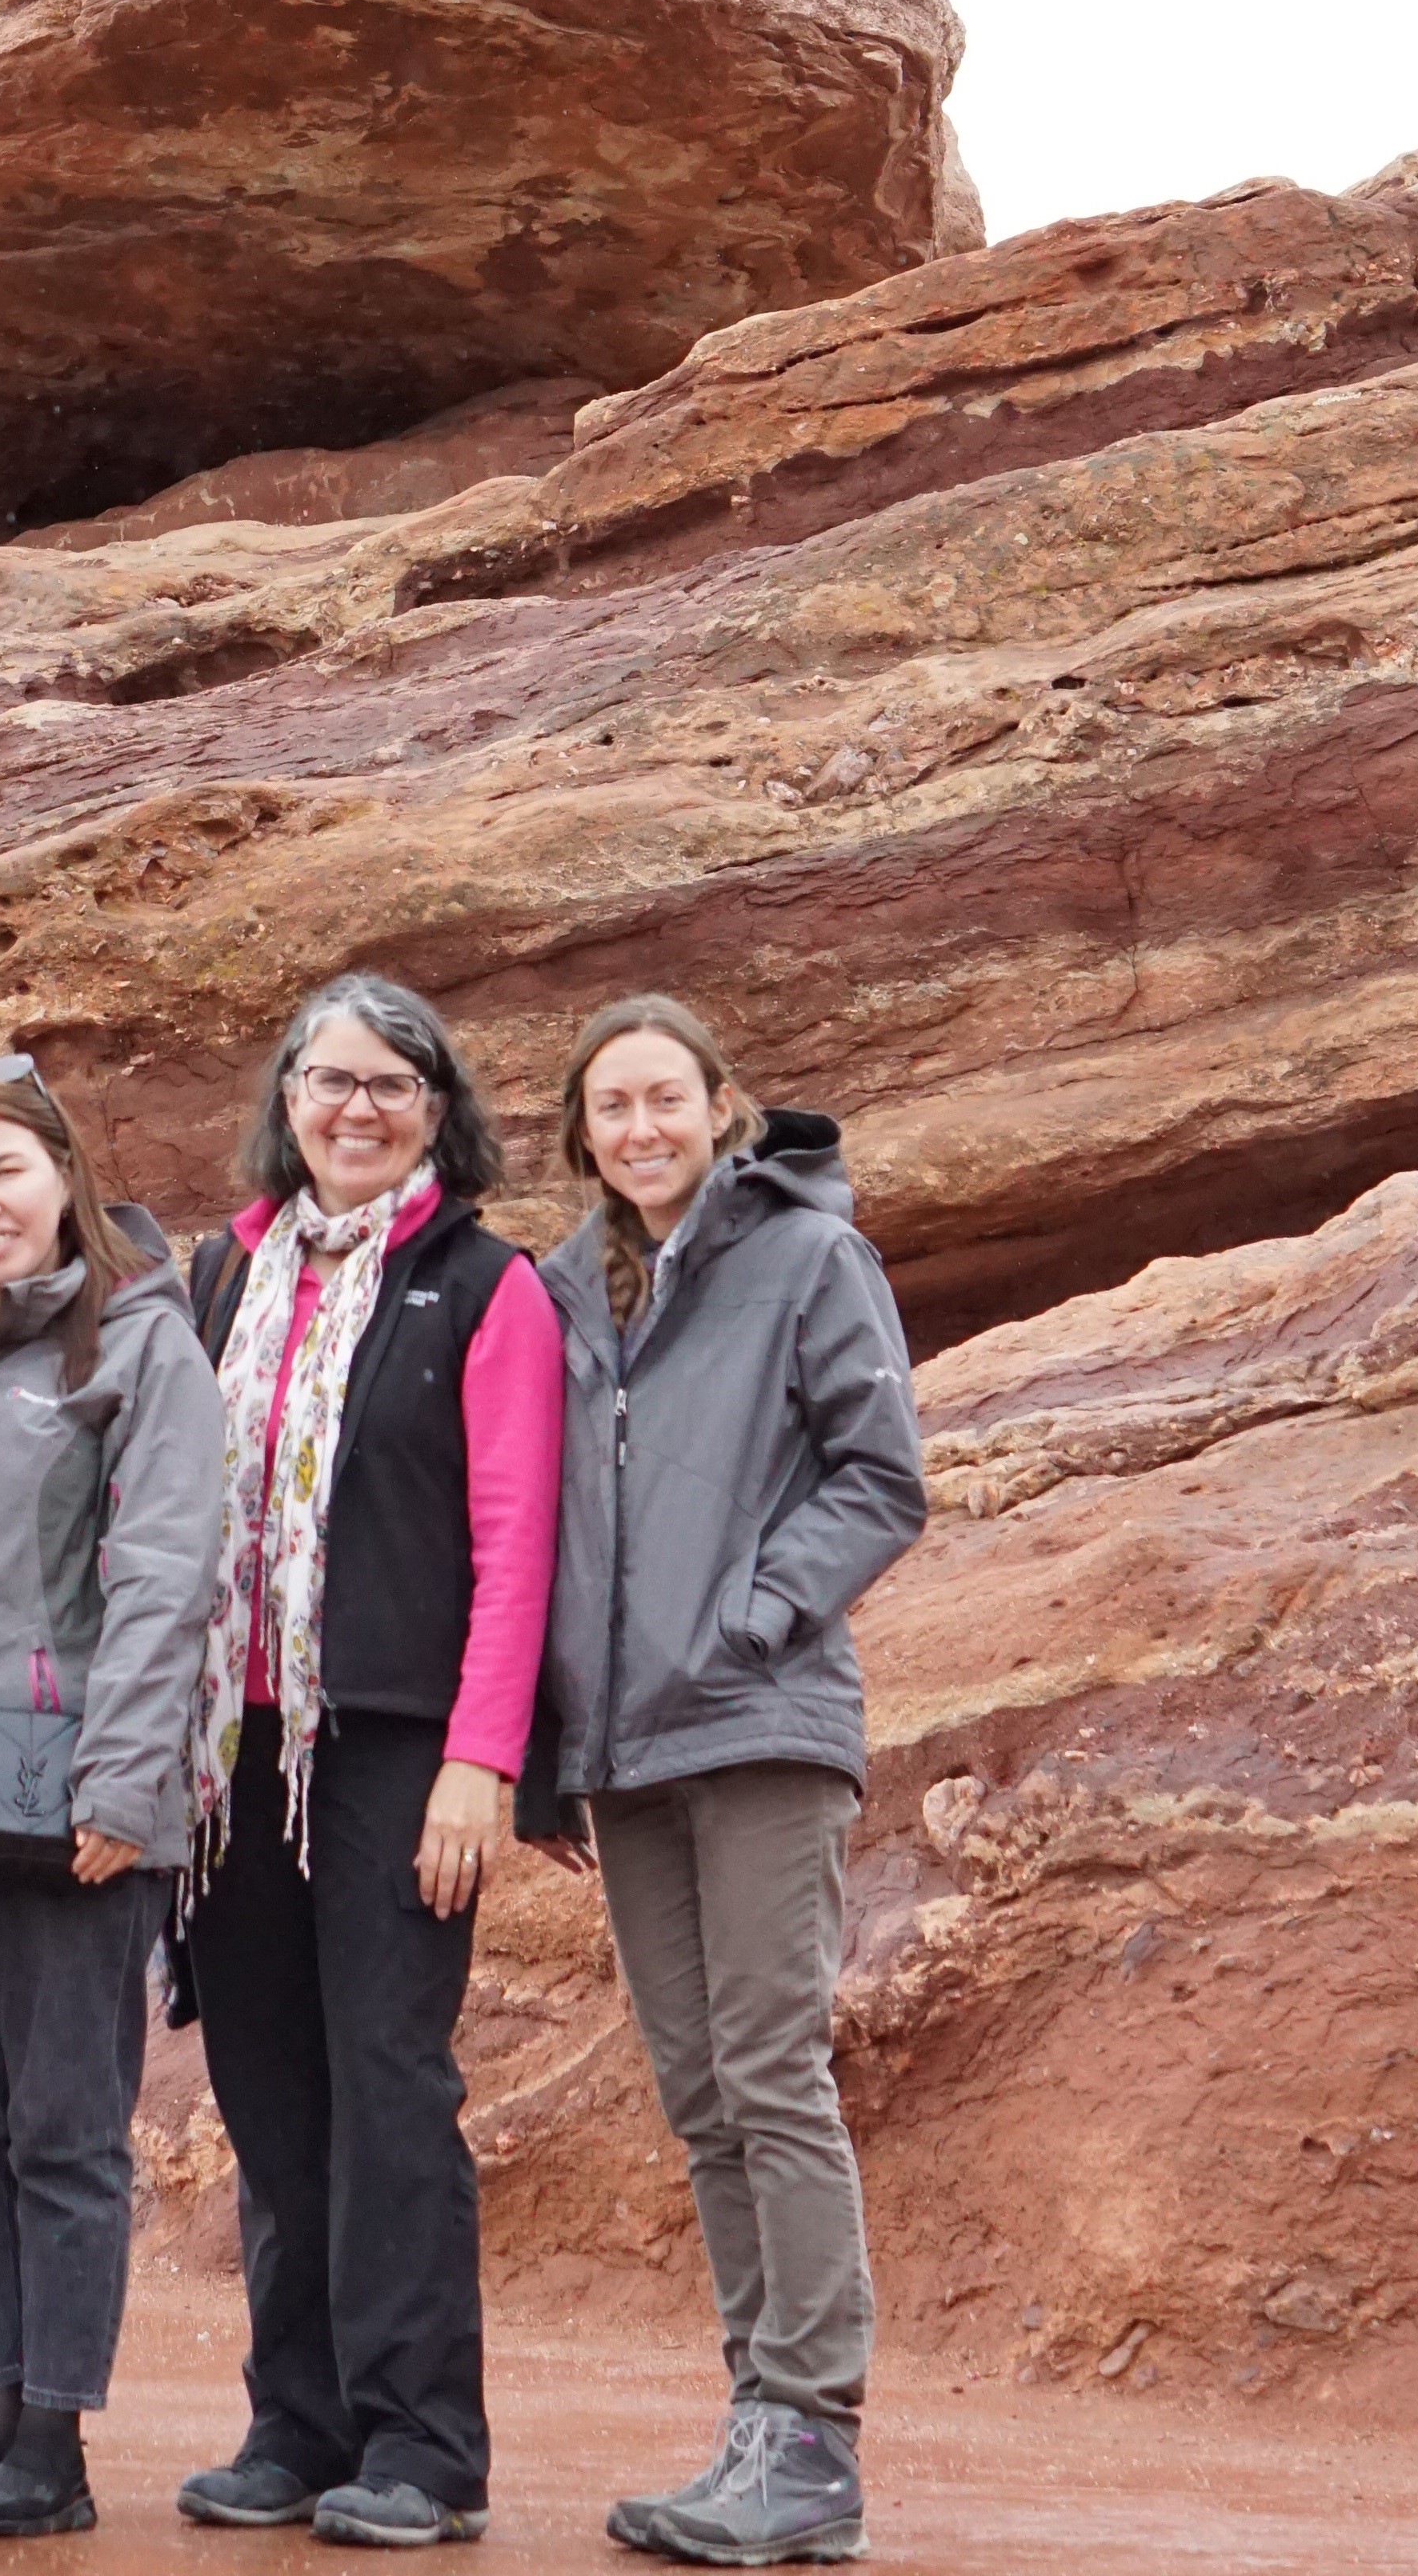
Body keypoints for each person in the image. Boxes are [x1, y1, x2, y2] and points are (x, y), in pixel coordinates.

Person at [535, 998, 927, 2573]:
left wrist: (754, 1614)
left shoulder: (803, 1255)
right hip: (624, 1750)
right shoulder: (568, 1291)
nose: (636, 1129)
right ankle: (755, 2430)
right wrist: (556, 1734)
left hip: (760, 1720)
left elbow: (880, 1474)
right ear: (580, 1136)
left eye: (660, 1100)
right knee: (698, 2095)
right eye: (607, 1108)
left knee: (769, 2072)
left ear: (716, 1108)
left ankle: (812, 2433)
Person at [177, 974, 563, 2550]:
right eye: (327, 1082)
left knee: (388, 2087)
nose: (352, 1109)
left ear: (434, 1111)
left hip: (396, 1747)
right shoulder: (223, 1275)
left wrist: (480, 1761)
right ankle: (298, 2422)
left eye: (388, 1086)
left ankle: (420, 2442)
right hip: (230, 1754)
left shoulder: (484, 1287)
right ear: (285, 1102)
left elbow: (514, 1539)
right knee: (264, 2086)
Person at [0, 1054, 222, 2544]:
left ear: (62, 1175)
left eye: (2, 1171)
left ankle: (58, 2444)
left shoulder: (142, 1351)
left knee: (66, 2132)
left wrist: (125, 1781)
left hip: (75, 1800)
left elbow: (164, 1581)